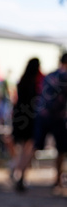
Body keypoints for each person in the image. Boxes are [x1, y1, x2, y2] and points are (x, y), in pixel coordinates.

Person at [32, 53, 67, 191]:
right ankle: (57, 180)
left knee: (35, 145)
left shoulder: (50, 75)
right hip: (58, 117)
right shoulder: (64, 76)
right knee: (61, 149)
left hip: (42, 115)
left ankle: (20, 173)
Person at [10, 58, 44, 192]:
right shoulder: (35, 83)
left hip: (20, 117)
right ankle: (21, 174)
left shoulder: (22, 81)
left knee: (23, 148)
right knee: (28, 149)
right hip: (30, 119)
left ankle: (16, 170)